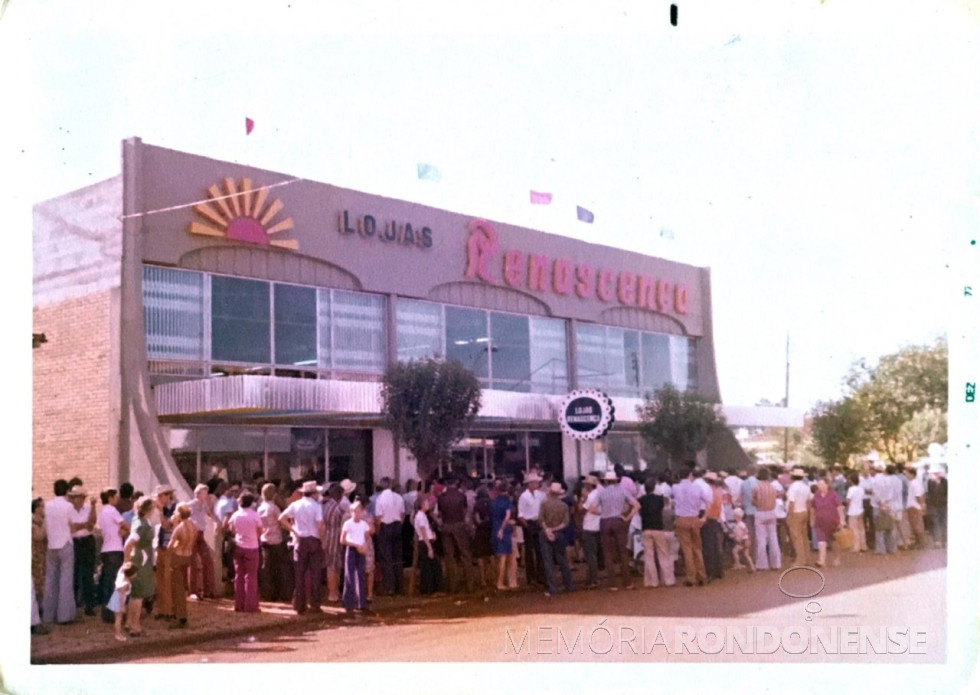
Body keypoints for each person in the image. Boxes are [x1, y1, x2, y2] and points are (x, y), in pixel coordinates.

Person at [278, 480, 326, 614]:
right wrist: (323, 541)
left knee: (299, 573)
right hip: (314, 539)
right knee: (315, 573)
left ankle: (299, 604)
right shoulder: (316, 506)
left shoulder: (296, 504)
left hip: (300, 539)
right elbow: (320, 525)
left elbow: (281, 518)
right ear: (313, 493)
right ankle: (315, 604)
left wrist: (293, 530)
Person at [597, 470, 640, 590]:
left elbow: (591, 508)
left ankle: (612, 584)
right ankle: (627, 582)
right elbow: (637, 505)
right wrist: (627, 517)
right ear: (616, 480)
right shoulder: (622, 490)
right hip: (618, 520)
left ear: (605, 481)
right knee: (623, 552)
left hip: (605, 521)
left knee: (608, 553)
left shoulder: (601, 492)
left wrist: (603, 512)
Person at [43, 479, 77, 625]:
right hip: (65, 542)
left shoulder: (47, 506)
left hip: (51, 544)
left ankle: (48, 614)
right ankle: (64, 616)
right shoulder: (69, 506)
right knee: (65, 579)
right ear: (67, 490)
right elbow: (73, 524)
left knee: (50, 579)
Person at [672, 464, 712, 587]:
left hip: (681, 519)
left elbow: (672, 501)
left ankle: (691, 577)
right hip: (694, 519)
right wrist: (704, 517)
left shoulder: (675, 487)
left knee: (687, 550)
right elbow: (708, 502)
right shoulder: (697, 488)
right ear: (690, 475)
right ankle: (702, 576)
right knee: (697, 548)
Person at [123, 498, 156, 636]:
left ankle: (130, 622)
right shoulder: (141, 525)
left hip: (144, 559)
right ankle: (134, 625)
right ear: (149, 509)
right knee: (138, 593)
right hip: (140, 560)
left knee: (136, 593)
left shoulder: (140, 520)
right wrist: (126, 562)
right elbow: (129, 543)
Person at [97, 488, 130, 623]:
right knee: (115, 582)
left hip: (106, 549)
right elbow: (126, 526)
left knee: (107, 581)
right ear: (110, 498)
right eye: (115, 497)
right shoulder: (112, 510)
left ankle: (106, 612)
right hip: (115, 550)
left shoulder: (102, 512)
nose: (117, 499)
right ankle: (114, 612)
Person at [227, 491, 263, 612]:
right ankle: (251, 605)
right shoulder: (255, 515)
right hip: (252, 547)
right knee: (251, 577)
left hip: (238, 546)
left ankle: (238, 604)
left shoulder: (235, 515)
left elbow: (231, 529)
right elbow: (260, 530)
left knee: (239, 575)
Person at [437, 477, 474, 594]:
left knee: (449, 557)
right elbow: (465, 512)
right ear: (456, 482)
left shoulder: (441, 497)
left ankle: (452, 586)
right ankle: (470, 585)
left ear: (446, 483)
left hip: (446, 526)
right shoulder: (461, 496)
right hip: (459, 525)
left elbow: (440, 513)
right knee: (465, 555)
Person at [257, 482, 292, 603]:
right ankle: (284, 594)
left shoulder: (260, 508)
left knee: (267, 568)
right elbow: (281, 522)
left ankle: (268, 594)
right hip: (276, 540)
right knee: (281, 568)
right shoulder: (274, 508)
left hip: (264, 539)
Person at [66, 485, 98, 617]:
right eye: (75, 497)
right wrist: (84, 525)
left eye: (80, 497)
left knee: (87, 574)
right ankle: (73, 605)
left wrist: (82, 525)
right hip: (75, 543)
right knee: (74, 574)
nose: (78, 500)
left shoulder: (89, 509)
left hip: (87, 541)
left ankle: (88, 606)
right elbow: (71, 528)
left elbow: (91, 525)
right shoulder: (68, 510)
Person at [539, 482, 575, 597]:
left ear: (549, 492)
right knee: (562, 559)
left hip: (545, 533)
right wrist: (554, 529)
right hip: (559, 534)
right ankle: (569, 584)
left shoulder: (544, 504)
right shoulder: (563, 506)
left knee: (548, 560)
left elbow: (541, 520)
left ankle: (552, 587)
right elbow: (565, 523)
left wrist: (548, 530)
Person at [638, 475, 675, 587]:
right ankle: (668, 580)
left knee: (649, 556)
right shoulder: (660, 499)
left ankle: (652, 581)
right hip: (658, 528)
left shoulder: (641, 500)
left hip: (646, 528)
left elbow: (639, 511)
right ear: (654, 487)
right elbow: (668, 503)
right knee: (663, 555)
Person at [373, 477, 405, 596]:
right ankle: (400, 586)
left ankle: (389, 587)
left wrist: (378, 531)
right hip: (397, 526)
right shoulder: (398, 497)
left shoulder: (380, 499)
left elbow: (378, 518)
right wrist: (399, 525)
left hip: (385, 527)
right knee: (397, 557)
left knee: (387, 558)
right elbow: (402, 515)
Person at [166, 503, 198, 628]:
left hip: (178, 556)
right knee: (183, 586)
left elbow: (170, 546)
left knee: (177, 588)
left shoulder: (179, 528)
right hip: (187, 556)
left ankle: (180, 615)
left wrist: (172, 552)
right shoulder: (193, 526)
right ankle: (179, 613)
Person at [187, 483, 218, 600]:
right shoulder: (190, 505)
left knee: (208, 561)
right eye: (204, 493)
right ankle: (193, 591)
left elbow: (210, 514)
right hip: (192, 534)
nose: (206, 495)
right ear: (198, 494)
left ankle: (208, 590)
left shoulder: (204, 505)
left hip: (200, 535)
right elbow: (184, 517)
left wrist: (216, 522)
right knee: (193, 563)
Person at [340, 499, 372, 613]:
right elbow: (342, 540)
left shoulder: (364, 524)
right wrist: (355, 545)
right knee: (349, 576)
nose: (357, 514)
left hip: (360, 549)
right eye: (355, 511)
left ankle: (361, 603)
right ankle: (348, 603)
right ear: (351, 512)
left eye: (359, 511)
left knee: (361, 575)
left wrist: (364, 546)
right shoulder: (347, 524)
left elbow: (367, 536)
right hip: (352, 549)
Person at [151, 484, 177, 620]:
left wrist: (160, 511)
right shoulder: (162, 509)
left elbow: (166, 525)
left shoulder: (174, 508)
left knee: (167, 580)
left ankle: (169, 610)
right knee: (159, 579)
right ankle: (162, 608)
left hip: (169, 547)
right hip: (160, 546)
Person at [517, 472, 546, 588]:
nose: (537, 484)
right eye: (535, 482)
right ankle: (532, 577)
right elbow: (521, 515)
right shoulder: (523, 496)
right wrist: (527, 526)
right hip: (529, 523)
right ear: (529, 484)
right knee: (530, 551)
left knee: (539, 551)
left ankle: (540, 576)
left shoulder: (540, 495)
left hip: (537, 522)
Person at [751, 468, 781, 571]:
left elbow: (753, 501)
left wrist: (757, 503)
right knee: (773, 538)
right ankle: (776, 563)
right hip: (771, 513)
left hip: (760, 513)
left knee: (761, 539)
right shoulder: (773, 488)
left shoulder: (757, 488)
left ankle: (762, 564)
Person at [413, 495, 444, 595]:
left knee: (429, 566)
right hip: (425, 542)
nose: (428, 504)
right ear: (422, 504)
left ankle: (429, 588)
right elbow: (423, 532)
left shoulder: (421, 515)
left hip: (427, 541)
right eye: (426, 503)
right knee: (431, 567)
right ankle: (431, 589)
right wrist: (429, 547)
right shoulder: (420, 516)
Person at [811, 478, 843, 567]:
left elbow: (839, 507)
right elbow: (813, 508)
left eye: (822, 484)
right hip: (820, 522)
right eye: (819, 484)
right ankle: (822, 560)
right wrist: (812, 519)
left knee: (834, 541)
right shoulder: (816, 495)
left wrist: (842, 520)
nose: (820, 486)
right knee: (821, 541)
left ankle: (837, 557)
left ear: (827, 485)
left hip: (833, 522)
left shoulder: (833, 495)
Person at [490, 481, 516, 591]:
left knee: (499, 556)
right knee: (504, 557)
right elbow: (507, 517)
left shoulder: (493, 502)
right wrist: (503, 528)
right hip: (503, 530)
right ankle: (500, 582)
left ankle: (498, 580)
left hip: (495, 528)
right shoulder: (507, 502)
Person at [322, 483, 346, 602]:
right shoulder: (338, 508)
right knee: (334, 566)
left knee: (330, 566)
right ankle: (333, 593)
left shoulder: (324, 506)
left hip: (326, 535)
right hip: (335, 537)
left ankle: (333, 592)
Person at [700, 472, 725, 581]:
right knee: (716, 546)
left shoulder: (707, 492)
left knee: (708, 547)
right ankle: (718, 570)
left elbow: (707, 507)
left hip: (708, 520)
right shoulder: (718, 492)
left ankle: (710, 572)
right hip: (716, 520)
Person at [786, 467, 813, 567]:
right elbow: (809, 501)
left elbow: (791, 503)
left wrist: (790, 515)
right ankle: (807, 558)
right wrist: (809, 513)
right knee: (804, 536)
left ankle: (800, 560)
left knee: (796, 537)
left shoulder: (793, 487)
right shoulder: (806, 487)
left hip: (796, 512)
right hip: (804, 511)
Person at [105, 562, 139, 642]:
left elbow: (122, 567)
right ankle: (118, 634)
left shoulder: (121, 574)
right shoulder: (125, 584)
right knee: (118, 619)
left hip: (115, 598)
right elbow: (121, 596)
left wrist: (127, 565)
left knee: (117, 618)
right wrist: (122, 606)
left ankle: (118, 633)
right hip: (119, 600)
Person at [580, 475, 602, 589]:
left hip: (589, 526)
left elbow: (582, 509)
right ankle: (592, 578)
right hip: (597, 526)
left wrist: (582, 497)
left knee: (590, 555)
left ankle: (593, 579)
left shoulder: (591, 496)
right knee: (594, 553)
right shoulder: (600, 494)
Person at [472, 485, 494, 589]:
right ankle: (493, 576)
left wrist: (480, 524)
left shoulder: (476, 504)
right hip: (490, 530)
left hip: (480, 531)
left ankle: (482, 579)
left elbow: (476, 519)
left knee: (480, 556)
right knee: (491, 554)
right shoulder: (491, 503)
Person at [904, 468, 928, 549]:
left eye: (907, 474)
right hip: (912, 506)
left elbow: (918, 496)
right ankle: (918, 542)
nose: (906, 475)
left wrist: (921, 505)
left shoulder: (914, 483)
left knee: (917, 525)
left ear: (912, 474)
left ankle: (921, 543)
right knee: (914, 525)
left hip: (914, 507)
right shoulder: (913, 483)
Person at [845, 473, 868, 552]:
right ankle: (863, 545)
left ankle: (856, 547)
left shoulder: (851, 489)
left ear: (851, 481)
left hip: (853, 511)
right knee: (861, 528)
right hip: (860, 509)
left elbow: (848, 500)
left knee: (854, 529)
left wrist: (845, 504)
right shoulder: (861, 489)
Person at [31, 498, 46, 609]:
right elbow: (39, 536)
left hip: (44, 556)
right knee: (37, 582)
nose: (44, 509)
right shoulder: (33, 523)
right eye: (42, 506)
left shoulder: (42, 521)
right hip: (36, 557)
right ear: (36, 509)